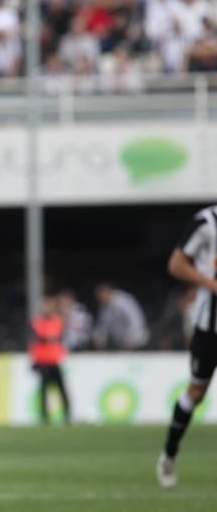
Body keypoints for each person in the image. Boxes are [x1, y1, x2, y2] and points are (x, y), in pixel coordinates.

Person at [157, 205, 217, 488]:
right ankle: (169, 454)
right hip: (209, 326)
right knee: (196, 391)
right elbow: (176, 263)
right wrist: (209, 282)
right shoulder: (206, 222)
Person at [29, 295, 71, 425]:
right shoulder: (36, 322)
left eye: (48, 306)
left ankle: (67, 415)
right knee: (44, 390)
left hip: (54, 360)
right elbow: (38, 339)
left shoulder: (57, 321)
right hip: (42, 361)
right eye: (44, 306)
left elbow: (55, 337)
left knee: (61, 389)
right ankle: (44, 416)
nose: (45, 309)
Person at [92, 282, 149, 350]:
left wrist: (131, 340)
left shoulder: (124, 301)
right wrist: (99, 338)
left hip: (137, 339)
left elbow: (136, 321)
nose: (100, 299)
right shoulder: (104, 306)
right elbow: (102, 326)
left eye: (101, 295)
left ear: (108, 292)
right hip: (120, 342)